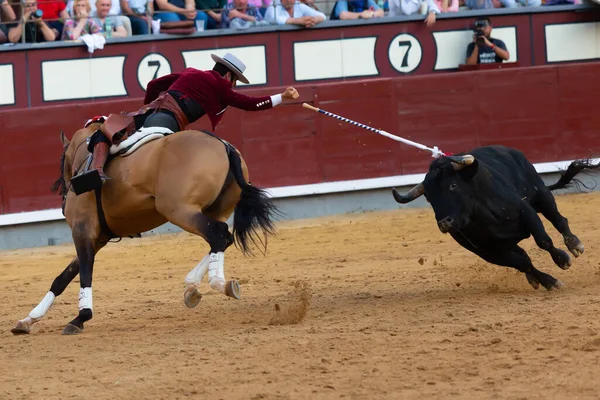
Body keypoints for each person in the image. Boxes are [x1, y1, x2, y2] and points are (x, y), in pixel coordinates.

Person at [70, 52, 300, 195]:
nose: (234, 85)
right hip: (172, 122)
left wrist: (147, 109)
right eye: (235, 81)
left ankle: (97, 170)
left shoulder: (190, 73)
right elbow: (250, 104)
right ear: (230, 76)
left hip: (154, 113)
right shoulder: (222, 86)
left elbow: (153, 84)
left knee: (105, 129)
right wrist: (282, 97)